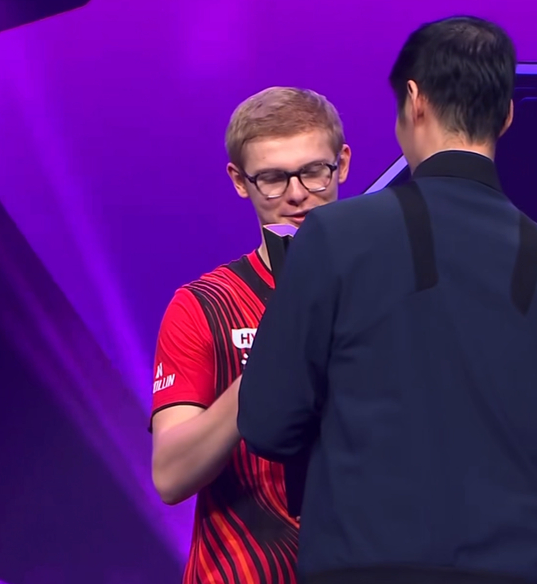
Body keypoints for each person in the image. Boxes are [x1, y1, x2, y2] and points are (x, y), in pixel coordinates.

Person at [237, 16, 537, 584]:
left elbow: (267, 423)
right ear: (506, 115)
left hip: (365, 564)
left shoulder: (334, 237)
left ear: (414, 100)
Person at [149, 86, 352, 584]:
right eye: (273, 178)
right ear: (240, 181)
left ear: (342, 164)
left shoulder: (391, 292)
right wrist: (272, 363)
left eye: (314, 171)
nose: (297, 194)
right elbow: (171, 476)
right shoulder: (204, 305)